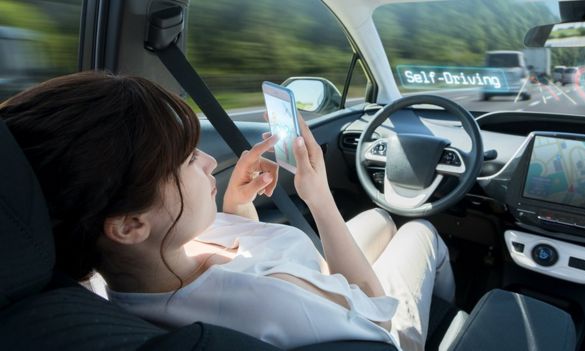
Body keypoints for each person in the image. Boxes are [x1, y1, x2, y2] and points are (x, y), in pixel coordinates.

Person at [0, 71, 455, 351]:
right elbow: (374, 310)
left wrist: (237, 209)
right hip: (382, 335)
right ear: (129, 225)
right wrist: (318, 198)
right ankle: (447, 317)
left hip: (318, 292)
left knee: (377, 220)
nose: (208, 162)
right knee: (418, 232)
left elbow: (239, 273)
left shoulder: (113, 278)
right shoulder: (272, 302)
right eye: (184, 162)